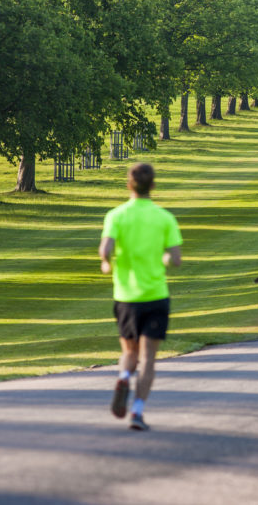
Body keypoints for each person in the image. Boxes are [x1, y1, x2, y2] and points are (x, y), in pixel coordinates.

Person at [100, 163, 182, 431]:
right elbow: (176, 258)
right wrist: (164, 257)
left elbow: (105, 250)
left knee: (129, 352)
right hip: (156, 294)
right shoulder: (164, 218)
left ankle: (124, 375)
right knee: (148, 358)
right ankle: (136, 411)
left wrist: (106, 264)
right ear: (153, 186)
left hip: (125, 296)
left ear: (129, 185)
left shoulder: (116, 215)